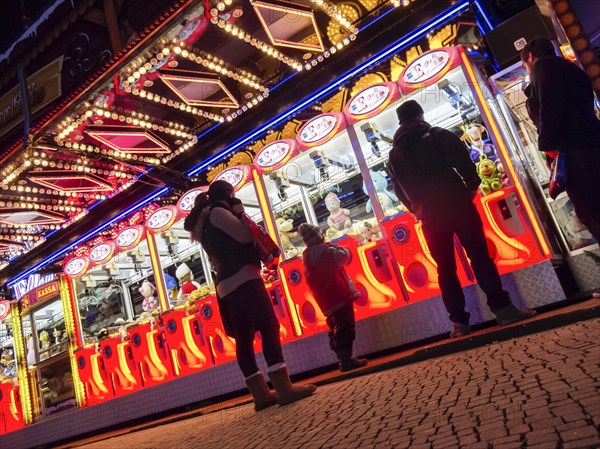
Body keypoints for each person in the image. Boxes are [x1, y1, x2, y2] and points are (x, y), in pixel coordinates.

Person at [388, 100, 537, 338]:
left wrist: (416, 209)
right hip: (458, 206)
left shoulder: (394, 154)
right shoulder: (436, 134)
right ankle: (503, 309)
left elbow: (398, 188)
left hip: (430, 218)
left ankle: (459, 323)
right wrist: (469, 189)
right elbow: (464, 161)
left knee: (445, 270)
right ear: (420, 114)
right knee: (480, 257)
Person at [183, 180, 315, 410]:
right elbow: (244, 236)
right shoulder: (218, 212)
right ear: (228, 195)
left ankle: (261, 394)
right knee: (268, 325)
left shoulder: (204, 220)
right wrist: (239, 210)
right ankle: (284, 388)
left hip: (226, 284)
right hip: (242, 277)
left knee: (244, 338)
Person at [521, 37, 600, 245]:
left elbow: (551, 109)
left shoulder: (543, 67)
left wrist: (546, 146)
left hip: (576, 153)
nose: (527, 70)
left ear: (530, 56)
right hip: (591, 143)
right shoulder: (569, 67)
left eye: (525, 65)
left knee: (592, 213)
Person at [297, 223, 368, 372]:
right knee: (346, 326)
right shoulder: (328, 252)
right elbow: (346, 255)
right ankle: (346, 359)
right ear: (320, 236)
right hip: (339, 295)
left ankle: (340, 357)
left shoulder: (307, 257)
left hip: (326, 301)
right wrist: (332, 244)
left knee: (335, 327)